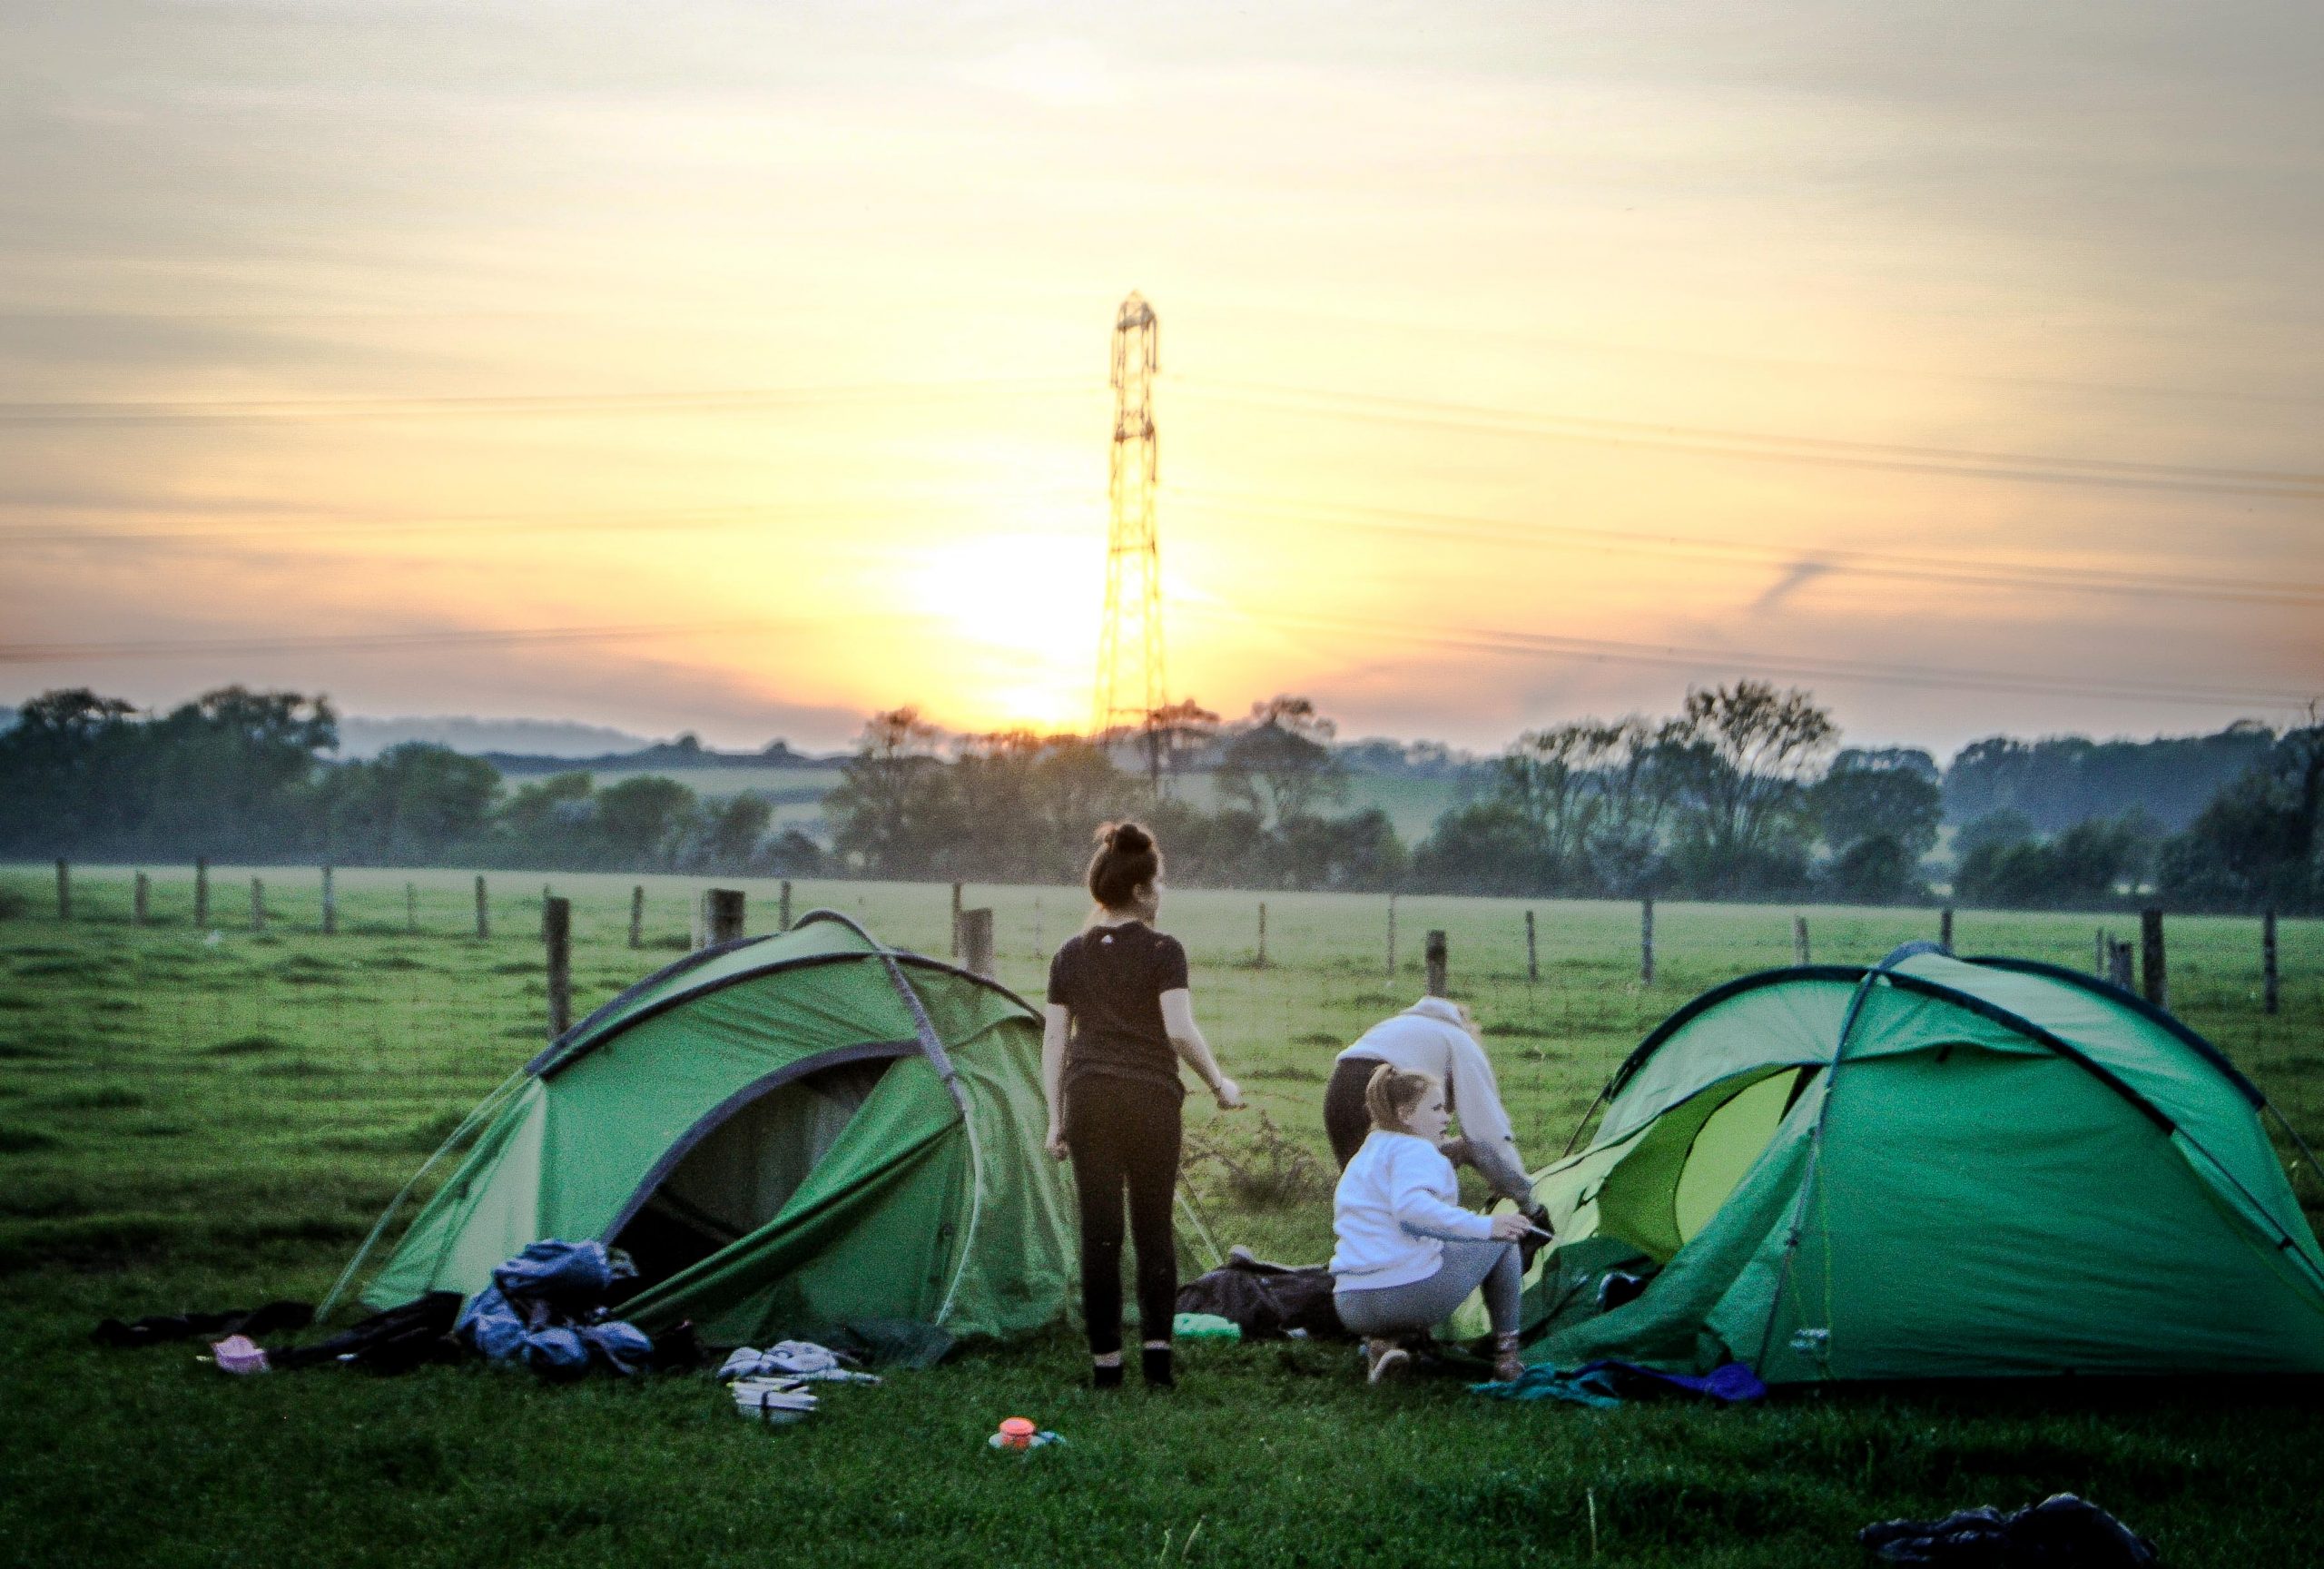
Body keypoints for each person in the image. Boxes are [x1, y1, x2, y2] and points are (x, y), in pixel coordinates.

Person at [1043, 822, 1244, 1389]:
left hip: (1088, 1099)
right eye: (1159, 883)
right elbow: (1178, 1030)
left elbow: (1055, 1041)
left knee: (1100, 1235)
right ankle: (1157, 1366)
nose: (1163, 892)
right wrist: (1219, 1084)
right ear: (1140, 890)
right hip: (1151, 1100)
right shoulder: (1163, 950)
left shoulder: (1069, 954)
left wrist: (1056, 1118)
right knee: (1154, 1228)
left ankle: (1106, 1368)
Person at [1330, 1063, 1530, 1385]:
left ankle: (1382, 1346)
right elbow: (1412, 1212)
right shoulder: (1415, 1148)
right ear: (1406, 1115)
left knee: (1428, 1247)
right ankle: (1508, 1359)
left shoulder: (1364, 1156)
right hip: (1403, 1297)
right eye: (1436, 1108)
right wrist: (1487, 1226)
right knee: (1505, 1240)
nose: (1446, 1117)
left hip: (1352, 1302)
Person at [1325, 996, 1538, 1209]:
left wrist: (1464, 1151)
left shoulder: (1404, 1026)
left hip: (1338, 1091)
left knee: (1363, 1196)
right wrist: (1525, 1195)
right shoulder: (1462, 1042)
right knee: (1403, 1196)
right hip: (1383, 1094)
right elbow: (1487, 1131)